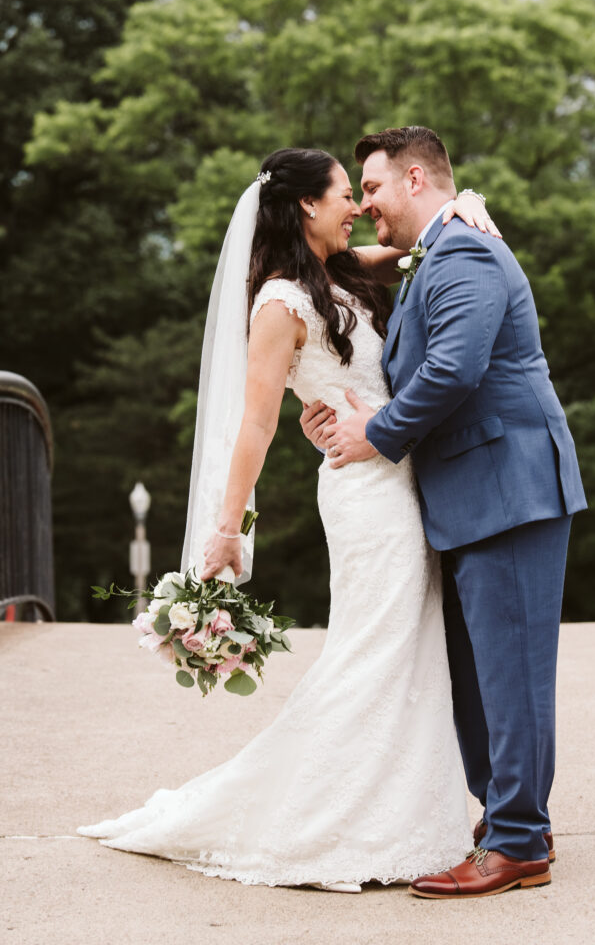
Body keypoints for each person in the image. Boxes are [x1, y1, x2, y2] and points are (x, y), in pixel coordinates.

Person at [78, 147, 498, 892]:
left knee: (406, 655)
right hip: (365, 498)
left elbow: (418, 237)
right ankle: (322, 818)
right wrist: (225, 528)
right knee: (372, 653)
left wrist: (469, 201)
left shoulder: (344, 274)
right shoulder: (279, 304)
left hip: (402, 480)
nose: (359, 206)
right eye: (345, 193)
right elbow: (256, 425)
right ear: (306, 205)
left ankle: (399, 813)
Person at [306, 126, 587, 899]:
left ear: (417, 178)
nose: (364, 205)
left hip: (510, 491)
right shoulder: (440, 249)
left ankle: (520, 843)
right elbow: (401, 354)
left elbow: (455, 367)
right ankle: (509, 817)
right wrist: (342, 416)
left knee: (512, 676)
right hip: (471, 497)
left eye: (371, 188)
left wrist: (378, 435)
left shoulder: (463, 253)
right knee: (475, 677)